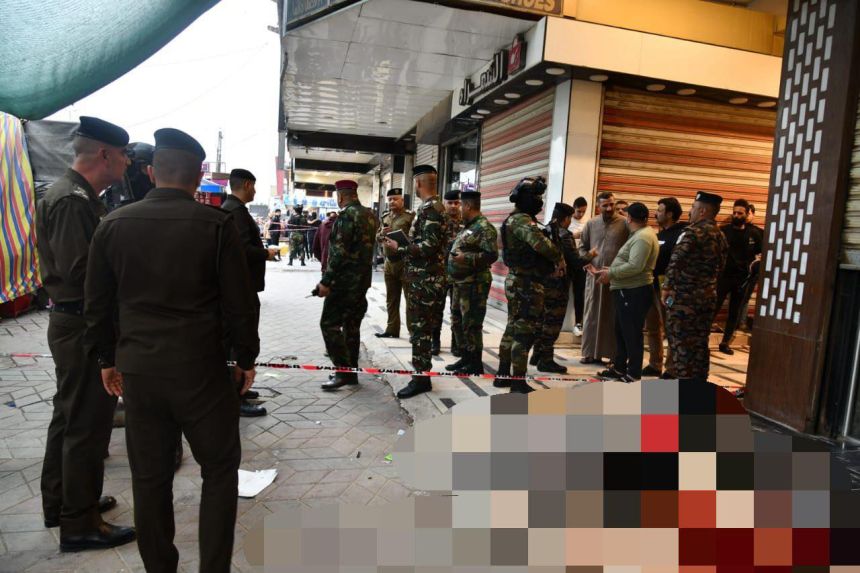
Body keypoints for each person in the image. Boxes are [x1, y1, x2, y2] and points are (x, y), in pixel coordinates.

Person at [85, 128, 259, 572]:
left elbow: (97, 305)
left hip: (140, 372)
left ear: (150, 172)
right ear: (198, 175)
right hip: (202, 371)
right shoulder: (216, 225)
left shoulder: (112, 224)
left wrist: (107, 360)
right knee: (219, 471)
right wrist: (245, 359)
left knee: (150, 477)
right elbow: (241, 303)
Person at [36, 116, 135, 551]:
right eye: (124, 155)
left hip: (74, 321)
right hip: (82, 324)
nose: (128, 162)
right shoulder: (73, 201)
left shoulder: (76, 196)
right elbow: (82, 274)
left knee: (70, 416)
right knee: (87, 424)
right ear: (105, 154)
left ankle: (64, 503)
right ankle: (80, 523)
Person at [383, 165, 449, 399]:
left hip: (425, 281)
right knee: (421, 330)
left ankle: (421, 379)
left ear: (419, 183)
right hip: (424, 278)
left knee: (420, 331)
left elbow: (428, 247)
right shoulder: (431, 208)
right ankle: (421, 375)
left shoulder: (431, 210)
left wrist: (399, 247)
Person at [495, 177, 563, 393]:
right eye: (536, 197)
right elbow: (543, 246)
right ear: (525, 198)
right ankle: (518, 382)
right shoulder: (522, 221)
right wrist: (557, 254)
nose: (539, 201)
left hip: (519, 280)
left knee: (513, 328)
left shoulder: (514, 219)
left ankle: (503, 375)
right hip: (526, 283)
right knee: (524, 333)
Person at [315, 180, 378, 390]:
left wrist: (326, 281)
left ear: (340, 196)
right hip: (361, 282)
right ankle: (351, 374)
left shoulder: (346, 216)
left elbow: (339, 252)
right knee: (352, 326)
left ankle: (343, 371)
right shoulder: (370, 215)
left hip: (344, 283)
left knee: (329, 324)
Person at [222, 168, 274, 417]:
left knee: (242, 339)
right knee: (240, 341)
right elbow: (242, 249)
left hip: (241, 287)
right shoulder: (236, 212)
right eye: (254, 186)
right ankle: (235, 395)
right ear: (246, 185)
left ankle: (241, 386)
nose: (255, 191)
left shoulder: (232, 209)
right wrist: (266, 253)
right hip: (240, 288)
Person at [661, 191, 728, 384]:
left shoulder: (692, 232)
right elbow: (722, 266)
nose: (690, 212)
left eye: (693, 208)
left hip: (685, 299)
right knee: (700, 344)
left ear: (702, 211)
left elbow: (676, 260)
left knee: (681, 344)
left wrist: (667, 287)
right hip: (707, 298)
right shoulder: (721, 235)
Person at [592, 202, 659, 382]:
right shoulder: (638, 234)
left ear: (629, 218)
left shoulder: (643, 237)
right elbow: (630, 262)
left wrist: (611, 273)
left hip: (634, 291)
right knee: (621, 331)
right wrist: (608, 270)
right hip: (627, 290)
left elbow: (635, 266)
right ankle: (619, 368)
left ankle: (633, 373)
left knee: (632, 334)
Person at [444, 189, 498, 375]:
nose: (458, 209)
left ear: (467, 206)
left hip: (475, 284)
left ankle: (475, 363)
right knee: (457, 322)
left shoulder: (484, 227)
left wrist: (465, 258)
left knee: (471, 325)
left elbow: (491, 255)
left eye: (461, 205)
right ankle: (465, 357)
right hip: (460, 283)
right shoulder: (468, 226)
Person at [578, 192, 629, 365]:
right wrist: (587, 263)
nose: (609, 208)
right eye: (605, 205)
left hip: (615, 277)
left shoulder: (624, 224)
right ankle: (589, 353)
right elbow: (582, 248)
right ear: (598, 206)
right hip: (594, 278)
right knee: (591, 314)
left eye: (611, 204)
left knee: (613, 316)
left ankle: (613, 355)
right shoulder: (591, 224)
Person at [531, 202, 580, 374]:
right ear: (566, 219)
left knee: (542, 320)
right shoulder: (565, 235)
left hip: (543, 284)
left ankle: (537, 354)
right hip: (559, 285)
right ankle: (546, 360)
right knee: (553, 323)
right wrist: (592, 254)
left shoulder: (544, 231)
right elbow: (576, 261)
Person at [643, 197, 687, 378]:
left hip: (668, 288)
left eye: (660, 211)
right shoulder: (659, 235)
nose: (656, 214)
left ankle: (671, 368)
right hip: (652, 284)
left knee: (670, 328)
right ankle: (655, 363)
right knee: (653, 326)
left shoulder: (681, 235)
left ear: (669, 214)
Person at [715, 199, 762, 354]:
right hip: (724, 277)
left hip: (742, 279)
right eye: (734, 212)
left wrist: (755, 265)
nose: (736, 215)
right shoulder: (723, 231)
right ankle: (701, 340)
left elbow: (761, 252)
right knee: (713, 308)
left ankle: (725, 342)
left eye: (740, 213)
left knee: (734, 312)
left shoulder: (755, 233)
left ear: (747, 214)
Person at [375, 188, 414, 339]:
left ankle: (413, 331)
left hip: (405, 263)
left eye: (395, 199)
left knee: (410, 299)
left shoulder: (410, 217)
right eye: (390, 199)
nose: (392, 202)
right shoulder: (385, 216)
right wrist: (382, 234)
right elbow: (378, 237)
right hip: (389, 263)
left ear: (402, 200)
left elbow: (415, 238)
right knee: (391, 299)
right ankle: (392, 329)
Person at [435, 189, 463, 356]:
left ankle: (456, 344)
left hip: (459, 273)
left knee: (457, 310)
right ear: (444, 203)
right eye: (450, 203)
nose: (453, 206)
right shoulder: (437, 219)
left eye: (456, 203)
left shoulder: (467, 220)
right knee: (436, 309)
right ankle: (435, 342)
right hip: (440, 271)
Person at [570, 197, 588, 336]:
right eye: (579, 211)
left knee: (579, 293)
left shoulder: (587, 224)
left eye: (583, 212)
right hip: (567, 261)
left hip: (580, 262)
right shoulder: (567, 221)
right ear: (574, 208)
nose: (581, 214)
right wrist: (573, 236)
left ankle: (578, 323)